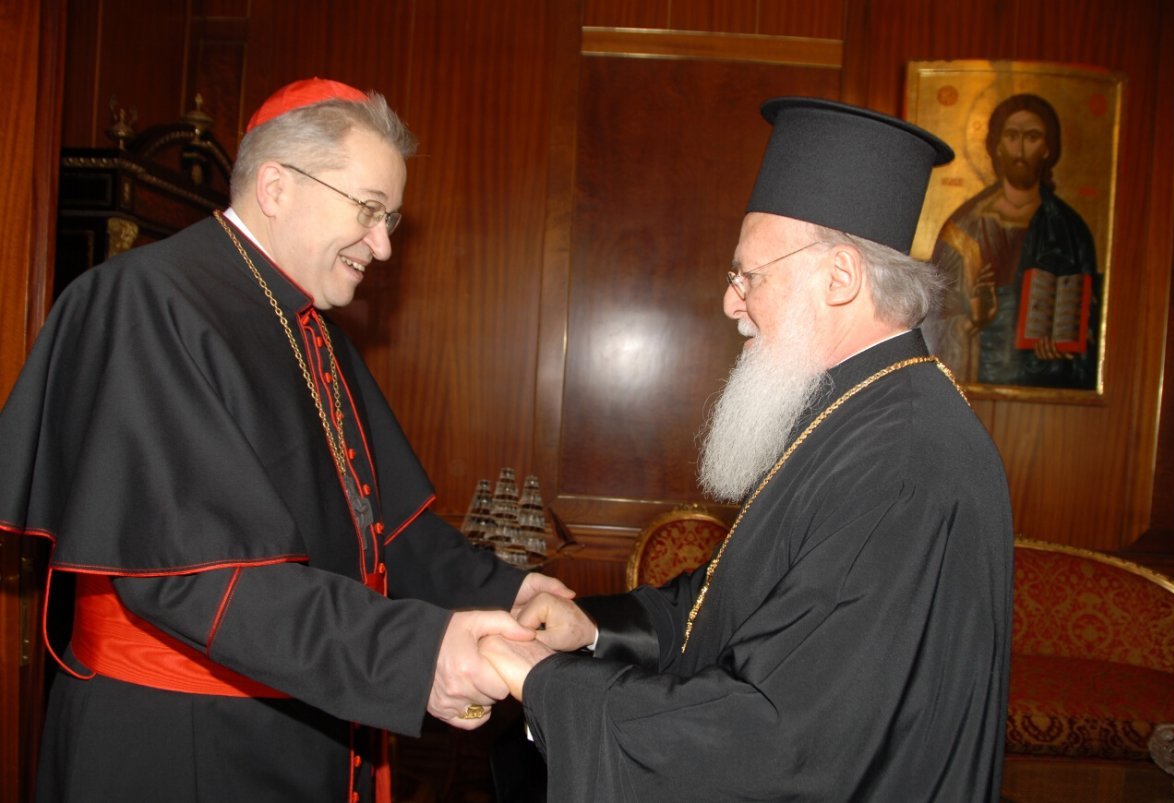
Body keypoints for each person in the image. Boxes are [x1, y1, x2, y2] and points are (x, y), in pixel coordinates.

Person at [0, 77, 572, 802]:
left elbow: (386, 532)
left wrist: (519, 590)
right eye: (369, 211)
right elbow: (192, 579)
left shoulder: (309, 328)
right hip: (180, 747)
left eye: (390, 218)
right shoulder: (145, 300)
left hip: (298, 712)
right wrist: (418, 651)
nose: (385, 245)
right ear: (276, 186)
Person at [479, 98, 1014, 801]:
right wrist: (595, 631)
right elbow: (732, 601)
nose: (731, 302)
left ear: (840, 277)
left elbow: (780, 737)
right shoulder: (859, 410)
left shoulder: (900, 461)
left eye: (748, 275)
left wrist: (547, 685)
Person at [925, 93, 1099, 388]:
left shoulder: (1070, 229)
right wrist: (973, 320)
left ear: (1047, 149)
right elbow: (933, 321)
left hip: (1049, 392)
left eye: (1032, 137)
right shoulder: (963, 229)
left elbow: (1090, 323)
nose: (1020, 149)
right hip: (974, 380)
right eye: (1011, 136)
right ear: (997, 146)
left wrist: (1065, 349)